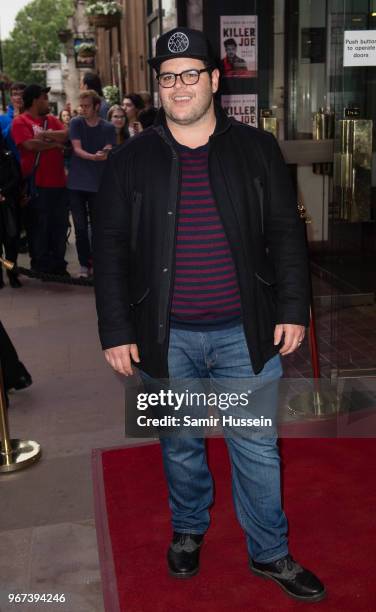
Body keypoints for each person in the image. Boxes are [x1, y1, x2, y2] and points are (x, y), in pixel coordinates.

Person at [93, 27, 325, 603]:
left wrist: (294, 307)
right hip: (163, 338)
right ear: (159, 86)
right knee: (180, 443)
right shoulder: (129, 160)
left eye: (191, 73)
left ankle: (270, 551)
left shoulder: (257, 148)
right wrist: (116, 331)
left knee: (256, 447)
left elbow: (284, 236)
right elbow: (111, 251)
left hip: (242, 334)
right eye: (169, 77)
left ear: (215, 81)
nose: (180, 86)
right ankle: (189, 528)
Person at [11, 85, 69, 276]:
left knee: (60, 226)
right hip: (38, 185)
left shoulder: (51, 119)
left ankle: (59, 265)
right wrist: (55, 143)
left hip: (60, 183)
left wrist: (45, 136)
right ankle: (42, 267)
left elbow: (67, 134)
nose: (47, 100)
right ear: (35, 100)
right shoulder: (21, 122)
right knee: (39, 228)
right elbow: (28, 144)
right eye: (45, 97)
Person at [67, 90, 116, 278]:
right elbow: (77, 149)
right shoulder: (76, 123)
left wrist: (104, 152)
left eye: (87, 106)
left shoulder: (107, 127)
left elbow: (109, 147)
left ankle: (98, 262)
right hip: (77, 184)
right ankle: (84, 265)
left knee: (98, 227)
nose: (83, 109)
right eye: (82, 106)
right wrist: (94, 157)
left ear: (97, 107)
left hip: (98, 184)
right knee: (79, 227)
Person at [0, 132, 22, 288]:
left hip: (7, 205)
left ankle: (11, 273)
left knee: (10, 243)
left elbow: (16, 179)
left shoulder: (8, 157)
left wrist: (3, 192)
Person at [0, 82, 27, 159]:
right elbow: (4, 142)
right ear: (11, 98)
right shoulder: (2, 119)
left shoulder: (34, 117)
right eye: (15, 94)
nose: (19, 97)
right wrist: (15, 122)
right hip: (12, 166)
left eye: (22, 94)